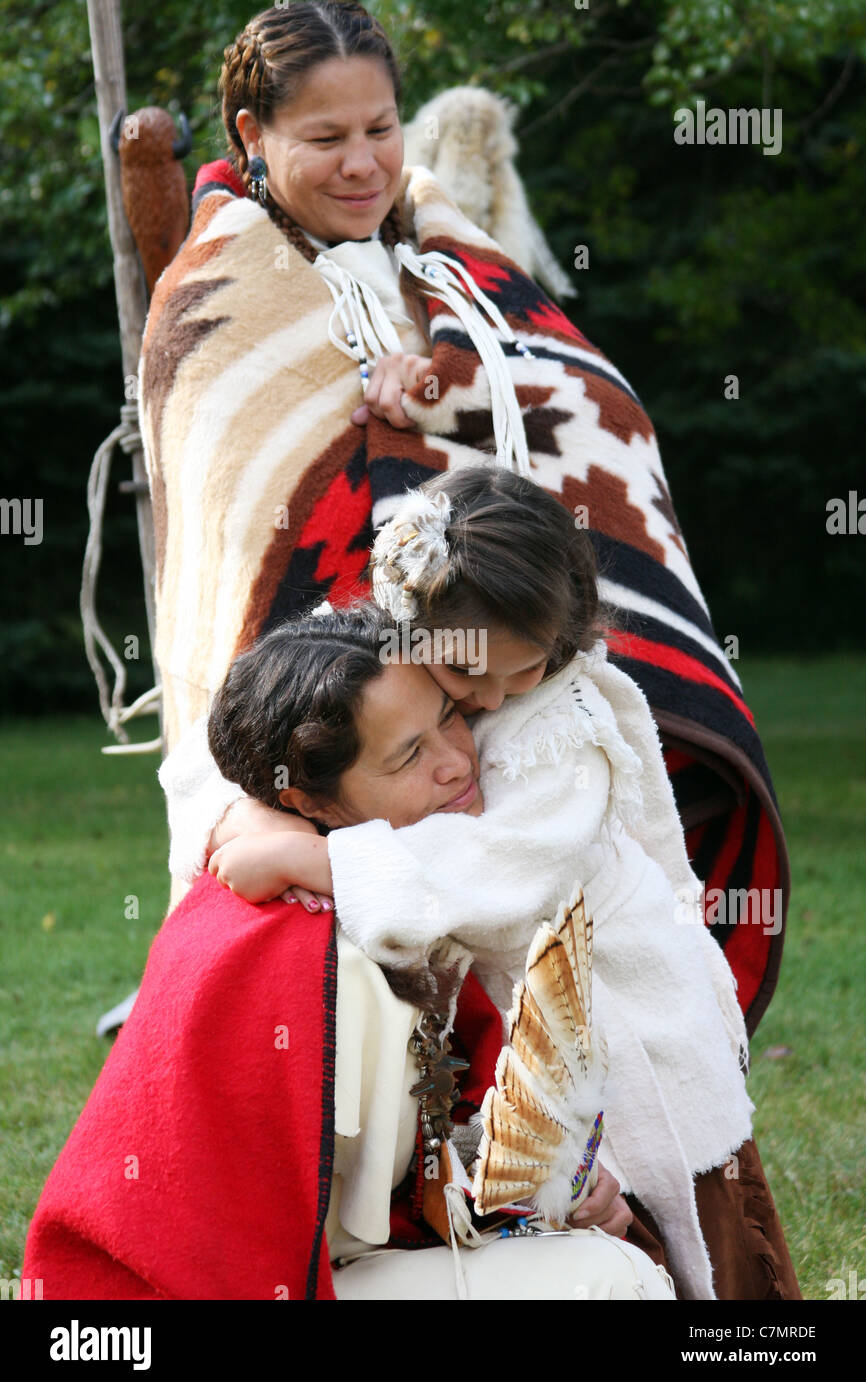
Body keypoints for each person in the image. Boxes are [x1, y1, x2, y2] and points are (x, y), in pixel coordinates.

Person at [138, 2, 788, 1033]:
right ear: (251, 137)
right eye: (324, 138)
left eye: (380, 128)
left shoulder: (448, 262)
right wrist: (373, 419)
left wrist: (447, 387)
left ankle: (565, 1130)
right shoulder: (211, 296)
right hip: (325, 684)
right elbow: (248, 500)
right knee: (336, 990)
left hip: (495, 649)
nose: (363, 163)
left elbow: (595, 409)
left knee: (547, 894)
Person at [173, 467, 799, 1300]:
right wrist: (250, 817)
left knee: (687, 1239)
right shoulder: (389, 648)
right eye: (469, 677)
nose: (491, 699)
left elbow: (505, 875)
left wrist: (314, 862)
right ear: (412, 621)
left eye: (524, 669)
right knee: (542, 1199)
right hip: (510, 1036)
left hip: (619, 1014)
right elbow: (234, 729)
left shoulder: (565, 732)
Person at [22, 604, 674, 1301]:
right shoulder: (309, 951)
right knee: (615, 1284)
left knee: (607, 1270)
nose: (456, 762)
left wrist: (555, 1181)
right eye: (408, 755)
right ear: (313, 801)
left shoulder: (371, 899)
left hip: (328, 1264)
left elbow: (412, 1170)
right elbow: (298, 1233)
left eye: (450, 718)